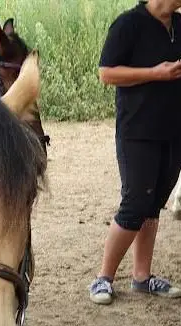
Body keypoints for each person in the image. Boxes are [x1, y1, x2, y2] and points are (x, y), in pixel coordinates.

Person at [90, 0, 181, 305]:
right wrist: (156, 73)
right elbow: (106, 74)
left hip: (173, 132)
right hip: (137, 132)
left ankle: (142, 277)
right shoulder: (128, 24)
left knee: (153, 205)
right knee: (135, 203)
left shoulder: (179, 26)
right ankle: (103, 278)